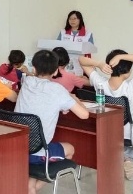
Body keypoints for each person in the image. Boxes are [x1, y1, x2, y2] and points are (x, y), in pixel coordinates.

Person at [79, 50, 133, 181]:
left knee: (124, 142)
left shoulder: (99, 84)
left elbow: (81, 60)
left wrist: (99, 64)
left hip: (111, 134)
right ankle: (129, 158)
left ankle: (124, 155)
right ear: (127, 72)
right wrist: (121, 56)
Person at [15, 50, 89, 194]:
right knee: (70, 149)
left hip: (18, 148)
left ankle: (30, 187)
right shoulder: (57, 90)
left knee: (36, 152)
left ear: (34, 68)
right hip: (38, 152)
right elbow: (84, 115)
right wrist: (73, 98)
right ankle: (32, 188)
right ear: (55, 71)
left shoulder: (27, 82)